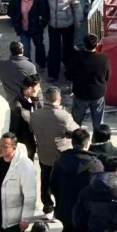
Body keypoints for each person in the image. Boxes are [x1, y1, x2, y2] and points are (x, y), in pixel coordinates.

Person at [50, 129, 103, 232]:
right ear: (87, 143)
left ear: (72, 143)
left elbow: (52, 186)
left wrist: (59, 203)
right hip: (87, 214)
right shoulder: (95, 165)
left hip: (66, 211)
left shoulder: (60, 161)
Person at [30, 86, 78, 215]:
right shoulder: (64, 116)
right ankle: (61, 206)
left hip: (43, 153)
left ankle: (47, 206)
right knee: (60, 182)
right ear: (59, 99)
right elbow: (77, 132)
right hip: (60, 155)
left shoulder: (35, 115)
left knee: (45, 180)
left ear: (46, 98)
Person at [68, 35, 112, 131]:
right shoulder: (104, 59)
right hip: (97, 93)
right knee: (98, 122)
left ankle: (76, 139)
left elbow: (69, 75)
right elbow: (107, 76)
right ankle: (97, 141)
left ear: (84, 45)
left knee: (76, 122)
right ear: (96, 45)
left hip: (80, 93)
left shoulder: (76, 59)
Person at [0, 40, 39, 108]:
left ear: (11, 51)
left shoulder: (2, 65)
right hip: (27, 102)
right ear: (22, 50)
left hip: (11, 102)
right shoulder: (30, 66)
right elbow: (35, 85)